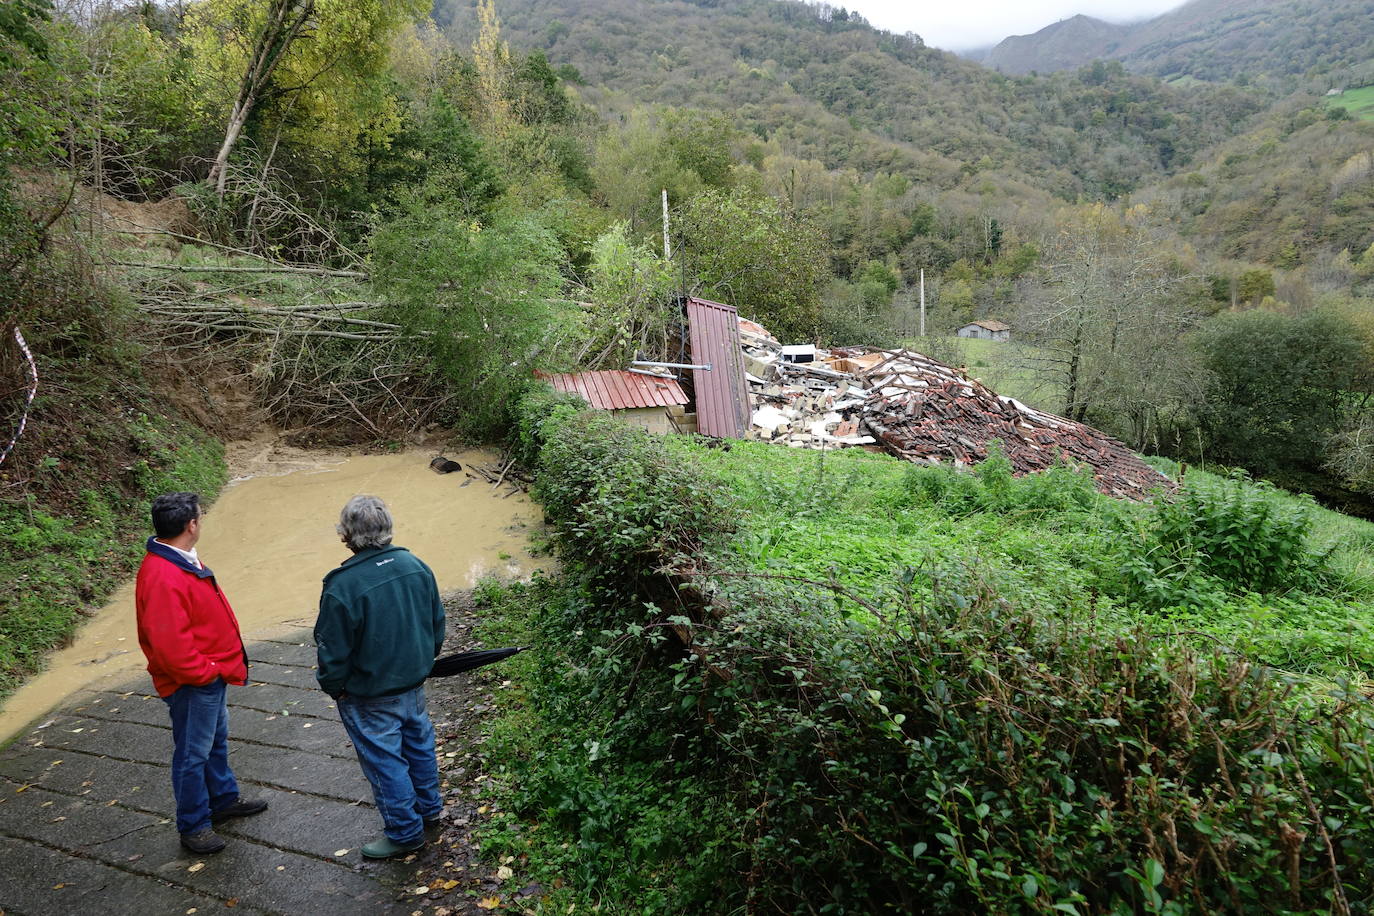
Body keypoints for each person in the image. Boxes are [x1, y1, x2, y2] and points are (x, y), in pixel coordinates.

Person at [135, 492, 267, 855]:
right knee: (193, 754)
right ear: (191, 525)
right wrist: (205, 673)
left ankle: (222, 800)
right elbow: (169, 643)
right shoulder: (163, 573)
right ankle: (193, 824)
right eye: (199, 518)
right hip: (195, 681)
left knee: (215, 742)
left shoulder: (177, 558)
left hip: (210, 674)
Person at [315, 495, 447, 859]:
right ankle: (430, 809)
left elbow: (332, 650)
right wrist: (422, 660)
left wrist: (334, 687)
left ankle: (405, 833)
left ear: (346, 535)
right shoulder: (415, 565)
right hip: (414, 684)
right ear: (388, 528)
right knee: (419, 748)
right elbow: (437, 625)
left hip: (369, 693)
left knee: (385, 761)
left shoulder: (342, 585)